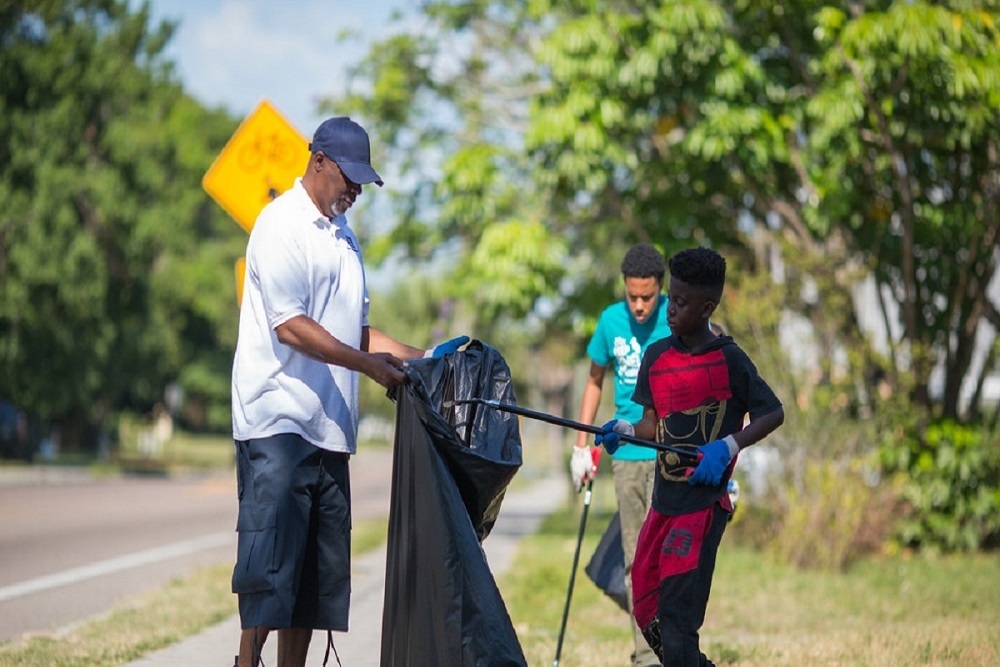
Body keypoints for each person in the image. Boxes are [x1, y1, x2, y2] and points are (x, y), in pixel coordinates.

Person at [230, 116, 467, 667]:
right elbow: (290, 325)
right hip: (278, 424)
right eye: (349, 177)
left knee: (315, 585)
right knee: (271, 575)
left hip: (330, 432)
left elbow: (353, 332)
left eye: (363, 180)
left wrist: (424, 358)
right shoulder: (280, 225)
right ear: (318, 163)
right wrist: (366, 366)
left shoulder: (344, 237)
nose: (356, 190)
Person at [596, 247, 784, 666]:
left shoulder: (730, 360)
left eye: (679, 303)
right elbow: (652, 424)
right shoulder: (657, 357)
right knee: (646, 609)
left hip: (701, 509)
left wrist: (728, 446)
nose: (670, 310)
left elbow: (773, 412)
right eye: (672, 298)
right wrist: (626, 430)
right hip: (663, 505)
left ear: (707, 307)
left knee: (678, 617)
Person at [570, 243, 670, 667]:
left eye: (647, 296)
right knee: (636, 557)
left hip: (670, 450)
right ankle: (648, 657)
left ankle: (675, 647)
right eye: (633, 296)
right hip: (627, 453)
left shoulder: (676, 315)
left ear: (660, 290)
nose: (640, 305)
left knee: (672, 556)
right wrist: (581, 447)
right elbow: (594, 382)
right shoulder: (611, 321)